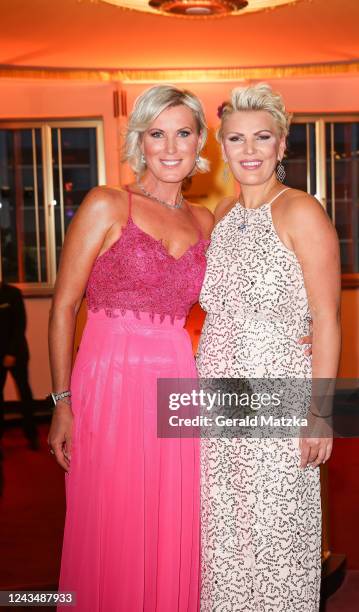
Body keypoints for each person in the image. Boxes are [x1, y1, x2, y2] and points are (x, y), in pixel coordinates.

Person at [47, 85, 213, 612]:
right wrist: (61, 401)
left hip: (178, 384)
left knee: (173, 515)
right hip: (110, 382)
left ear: (200, 142)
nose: (170, 146)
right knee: (113, 518)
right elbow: (63, 307)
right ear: (139, 140)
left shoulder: (207, 221)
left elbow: (237, 305)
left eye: (183, 132)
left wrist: (300, 330)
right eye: (157, 133)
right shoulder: (107, 202)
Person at [196, 84, 341, 611]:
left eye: (262, 137)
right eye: (236, 138)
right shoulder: (223, 219)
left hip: (279, 400)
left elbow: (327, 317)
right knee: (224, 538)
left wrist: (319, 413)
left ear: (282, 145)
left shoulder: (302, 211)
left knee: (276, 538)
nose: (249, 149)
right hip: (217, 402)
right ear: (222, 147)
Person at [0, 281, 38, 452]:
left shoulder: (13, 293)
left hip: (17, 353)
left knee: (24, 393)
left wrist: (11, 354)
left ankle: (32, 436)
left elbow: (20, 325)